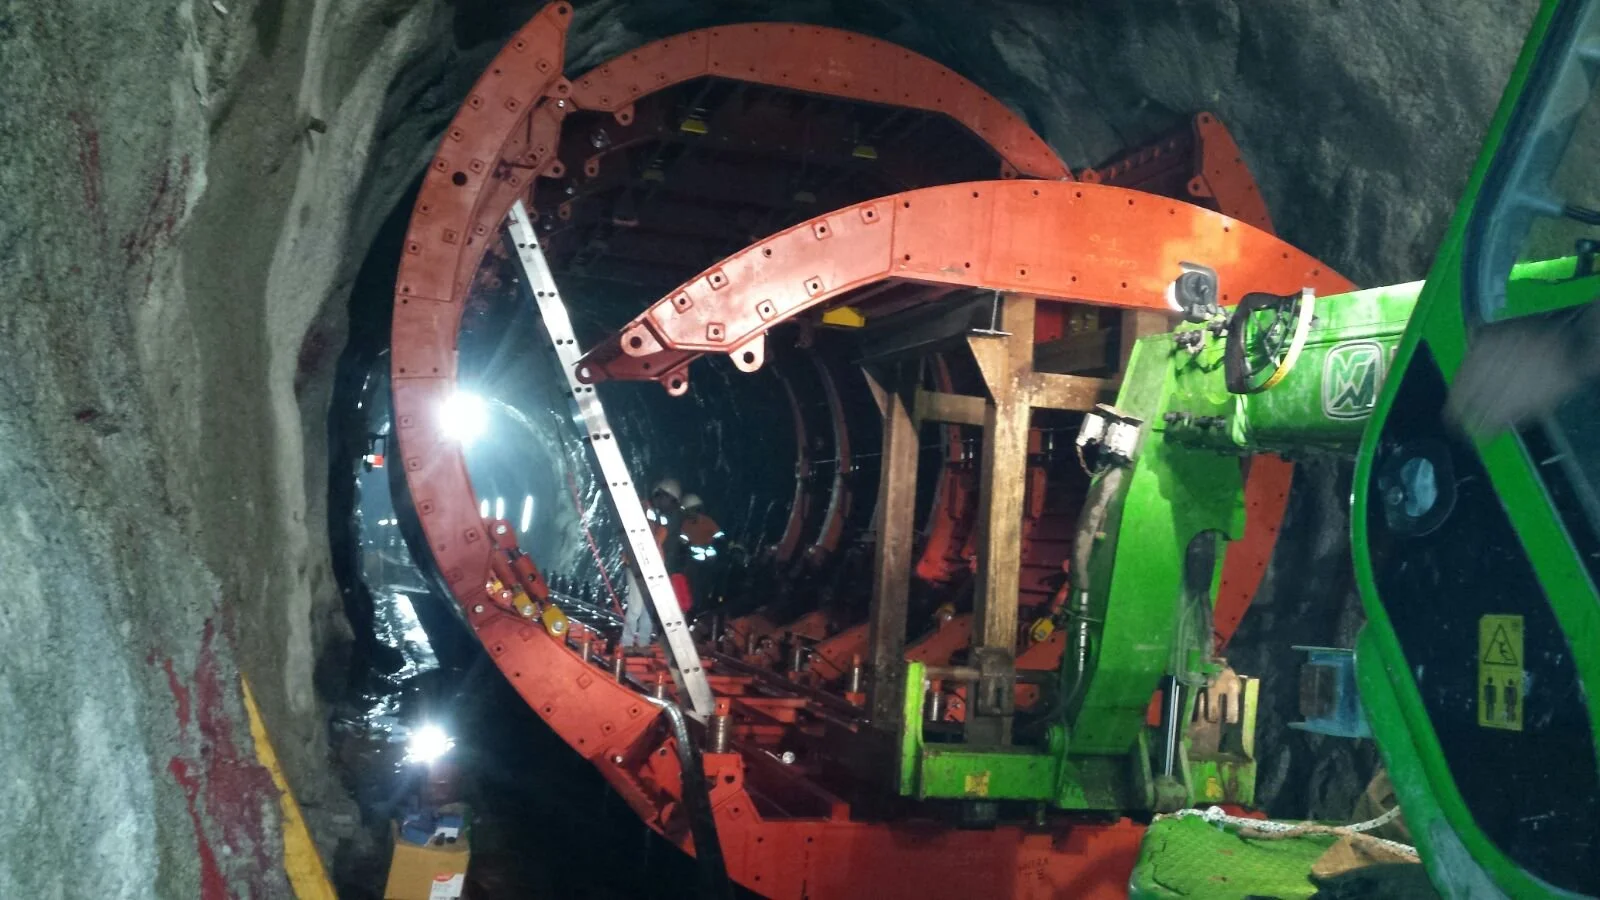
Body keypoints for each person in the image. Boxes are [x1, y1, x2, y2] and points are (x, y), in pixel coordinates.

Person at [621, 478, 682, 648]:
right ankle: (626, 644)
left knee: (648, 609)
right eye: (669, 500)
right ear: (659, 495)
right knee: (635, 607)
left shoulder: (662, 516)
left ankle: (643, 644)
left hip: (653, 566)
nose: (670, 504)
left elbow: (661, 539)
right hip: (636, 563)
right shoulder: (643, 508)